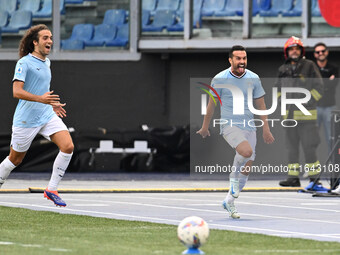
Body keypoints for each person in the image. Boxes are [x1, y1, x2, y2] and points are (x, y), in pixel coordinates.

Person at [197, 45, 275, 219]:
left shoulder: (254, 78)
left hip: (250, 126)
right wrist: (204, 126)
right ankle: (233, 180)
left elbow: (261, 105)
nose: (242, 62)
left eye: (244, 58)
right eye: (238, 58)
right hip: (229, 125)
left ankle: (229, 201)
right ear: (230, 60)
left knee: (247, 167)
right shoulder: (219, 78)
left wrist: (266, 128)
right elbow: (211, 104)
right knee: (246, 152)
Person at [0, 24, 74, 207]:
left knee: (68, 146)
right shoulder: (24, 63)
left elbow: (43, 90)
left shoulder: (47, 62)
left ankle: (52, 189)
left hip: (47, 115)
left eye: (50, 37)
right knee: (14, 159)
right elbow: (16, 92)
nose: (50, 41)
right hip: (26, 120)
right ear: (35, 42)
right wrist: (41, 99)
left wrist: (52, 104)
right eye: (45, 38)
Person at [277, 36, 325, 190]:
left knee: (309, 148)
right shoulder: (282, 69)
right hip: (289, 118)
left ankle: (314, 179)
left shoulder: (309, 65)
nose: (294, 51)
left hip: (307, 117)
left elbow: (319, 87)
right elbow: (277, 90)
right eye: (291, 49)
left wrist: (308, 101)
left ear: (301, 51)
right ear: (287, 52)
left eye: (297, 48)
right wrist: (281, 101)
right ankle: (293, 178)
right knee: (291, 149)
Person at [313, 42, 339, 153]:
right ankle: (311, 167)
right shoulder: (312, 69)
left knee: (332, 139)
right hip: (315, 107)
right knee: (311, 139)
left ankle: (333, 167)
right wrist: (328, 81)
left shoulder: (334, 68)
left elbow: (334, 84)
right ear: (315, 54)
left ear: (327, 52)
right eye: (318, 52)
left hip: (330, 108)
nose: (320, 53)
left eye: (323, 51)